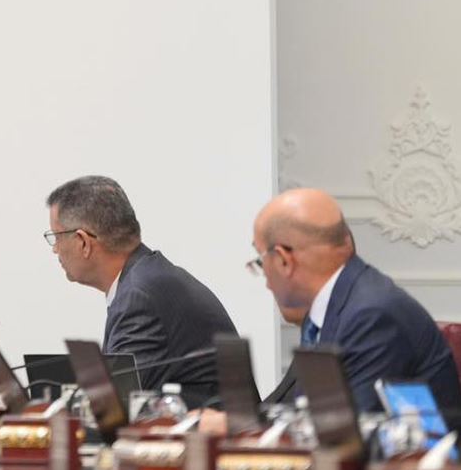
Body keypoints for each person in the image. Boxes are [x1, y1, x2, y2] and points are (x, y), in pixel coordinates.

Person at [252, 188, 461, 417]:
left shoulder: (372, 316)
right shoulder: (336, 308)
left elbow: (344, 430)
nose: (266, 282)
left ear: (283, 260)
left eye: (260, 261)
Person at [46, 175, 237, 406]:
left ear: (83, 242)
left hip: (213, 427)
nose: (55, 250)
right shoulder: (147, 278)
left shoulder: (140, 296)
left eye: (55, 237)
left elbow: (120, 404)